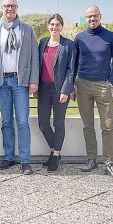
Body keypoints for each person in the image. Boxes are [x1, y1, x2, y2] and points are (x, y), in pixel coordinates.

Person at [0, 0, 39, 174]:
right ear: (2, 8)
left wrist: (34, 80)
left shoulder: (27, 29)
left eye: (13, 6)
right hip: (1, 82)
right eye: (7, 6)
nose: (10, 9)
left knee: (22, 121)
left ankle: (25, 160)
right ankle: (9, 157)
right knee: (6, 121)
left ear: (17, 8)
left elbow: (34, 56)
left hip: (20, 81)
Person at [74, 5, 113, 180]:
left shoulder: (111, 36)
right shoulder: (79, 38)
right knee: (88, 125)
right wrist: (73, 85)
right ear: (85, 18)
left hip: (103, 85)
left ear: (100, 17)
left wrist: (111, 80)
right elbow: (74, 63)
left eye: (95, 16)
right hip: (83, 84)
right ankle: (91, 159)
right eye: (89, 17)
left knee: (107, 126)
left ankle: (109, 162)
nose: (92, 19)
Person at [36, 14, 76, 172]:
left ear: (62, 26)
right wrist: (36, 86)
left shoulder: (68, 45)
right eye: (52, 24)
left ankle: (55, 154)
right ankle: (54, 150)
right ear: (48, 26)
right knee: (43, 124)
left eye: (58, 25)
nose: (54, 27)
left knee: (58, 123)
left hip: (60, 90)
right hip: (44, 89)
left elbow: (71, 70)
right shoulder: (42, 43)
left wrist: (66, 90)